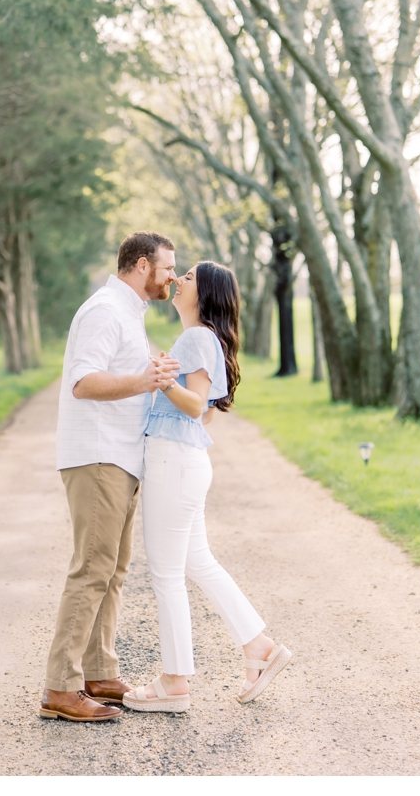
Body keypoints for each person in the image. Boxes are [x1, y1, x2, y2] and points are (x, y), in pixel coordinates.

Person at [121, 261, 292, 713]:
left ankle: (174, 682)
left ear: (206, 293)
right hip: (185, 461)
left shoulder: (197, 338)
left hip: (174, 463)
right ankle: (258, 647)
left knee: (166, 574)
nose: (178, 280)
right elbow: (208, 408)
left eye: (189, 276)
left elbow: (197, 407)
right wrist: (171, 383)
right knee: (198, 562)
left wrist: (160, 378)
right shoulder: (206, 340)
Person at [40, 231, 180, 722]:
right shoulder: (104, 309)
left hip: (120, 458)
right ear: (142, 265)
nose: (171, 277)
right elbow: (83, 381)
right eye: (167, 268)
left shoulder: (128, 313)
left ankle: (98, 672)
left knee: (113, 572)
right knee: (92, 570)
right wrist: (144, 381)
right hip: (97, 457)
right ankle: (61, 687)